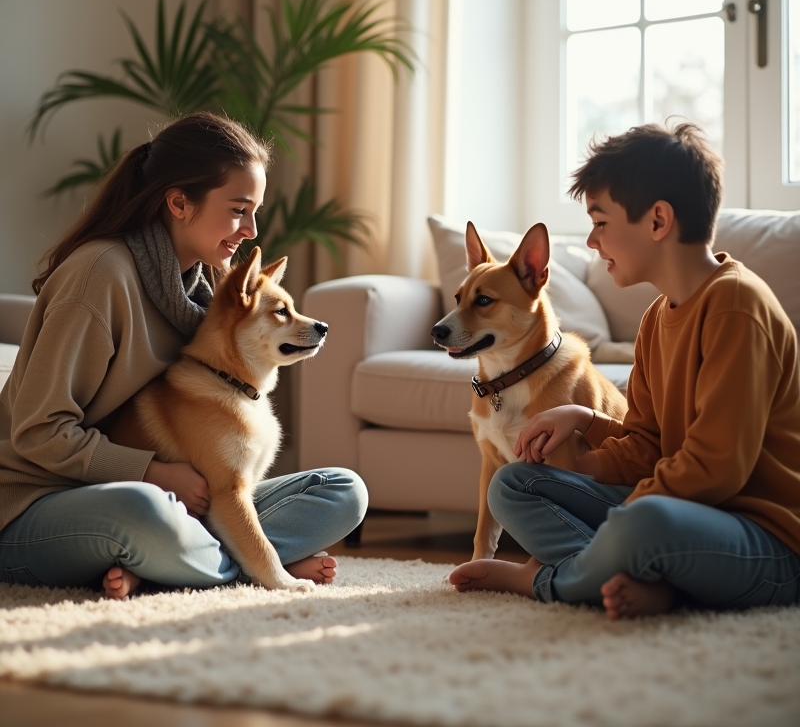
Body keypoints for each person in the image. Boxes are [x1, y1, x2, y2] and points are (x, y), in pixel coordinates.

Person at [0, 112, 367, 599]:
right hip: (35, 503)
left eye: (254, 211)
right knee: (146, 515)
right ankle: (254, 563)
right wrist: (151, 472)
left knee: (341, 490)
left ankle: (173, 565)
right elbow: (38, 432)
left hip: (165, 500)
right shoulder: (99, 276)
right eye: (239, 209)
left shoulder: (207, 291)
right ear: (178, 202)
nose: (251, 230)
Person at [449, 122, 800, 619]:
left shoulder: (736, 306)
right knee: (513, 485)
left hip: (767, 540)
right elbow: (646, 446)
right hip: (688, 518)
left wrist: (621, 515)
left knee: (643, 521)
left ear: (658, 220)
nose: (591, 241)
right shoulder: (658, 317)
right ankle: (638, 575)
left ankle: (550, 580)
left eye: (600, 222)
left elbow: (717, 469)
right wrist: (581, 440)